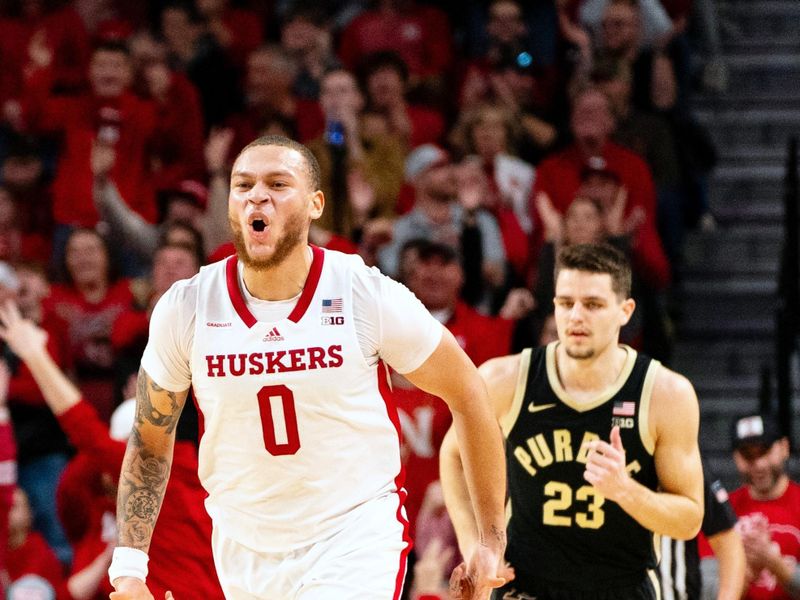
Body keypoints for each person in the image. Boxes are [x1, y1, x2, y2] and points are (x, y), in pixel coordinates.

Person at [108, 134, 507, 600]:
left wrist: (489, 540)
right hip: (244, 548)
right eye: (244, 185)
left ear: (316, 204)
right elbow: (150, 439)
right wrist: (130, 568)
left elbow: (469, 391)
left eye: (278, 183)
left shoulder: (362, 292)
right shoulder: (187, 307)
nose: (258, 195)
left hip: (355, 536)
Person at [441, 242, 704, 600]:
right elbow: (454, 454)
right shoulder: (506, 379)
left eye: (593, 305)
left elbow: (689, 519)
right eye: (566, 303)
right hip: (525, 585)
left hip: (620, 587)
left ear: (625, 311)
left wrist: (625, 490)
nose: (576, 316)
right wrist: (476, 545)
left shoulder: (665, 394)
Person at [729, 413, 800, 600]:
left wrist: (774, 563)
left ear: (784, 448)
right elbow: (706, 591)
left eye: (765, 451)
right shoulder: (723, 512)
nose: (759, 464)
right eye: (747, 456)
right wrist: (746, 572)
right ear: (735, 458)